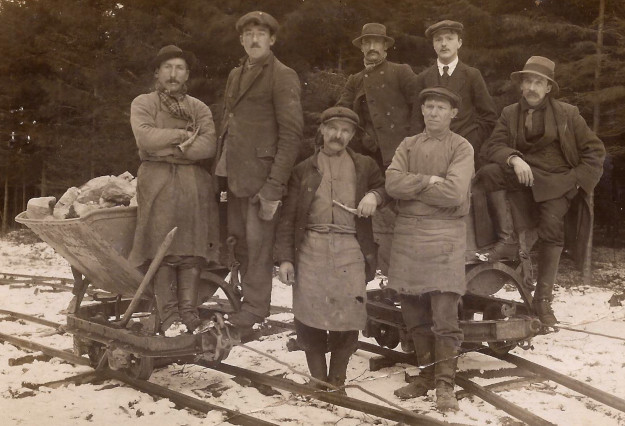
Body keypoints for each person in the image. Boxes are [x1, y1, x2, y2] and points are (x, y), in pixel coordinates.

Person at [478, 56, 605, 326]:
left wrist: (576, 182)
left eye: (539, 82)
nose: (532, 87)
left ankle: (543, 300)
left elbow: (594, 152)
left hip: (558, 182)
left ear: (549, 88)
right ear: (521, 85)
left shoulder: (568, 114)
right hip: (522, 177)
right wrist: (514, 158)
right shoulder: (509, 113)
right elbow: (492, 146)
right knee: (489, 172)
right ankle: (507, 239)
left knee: (551, 228)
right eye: (528, 81)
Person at [275, 106, 388, 390]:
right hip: (311, 246)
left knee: (348, 315)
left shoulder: (364, 165)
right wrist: (286, 259)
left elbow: (386, 187)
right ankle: (318, 380)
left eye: (346, 130)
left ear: (352, 135)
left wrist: (375, 195)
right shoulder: (303, 169)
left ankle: (337, 381)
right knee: (309, 314)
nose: (339, 135)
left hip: (351, 246)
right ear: (322, 130)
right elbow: (287, 216)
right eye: (333, 128)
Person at [386, 87, 474, 411]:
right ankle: (424, 376)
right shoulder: (407, 145)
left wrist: (413, 188)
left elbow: (453, 193)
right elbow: (392, 184)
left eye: (441, 107)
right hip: (408, 235)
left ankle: (445, 385)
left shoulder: (461, 147)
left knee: (444, 315)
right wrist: (428, 181)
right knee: (413, 312)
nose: (434, 112)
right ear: (422, 110)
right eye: (429, 107)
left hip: (445, 235)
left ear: (453, 113)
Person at [214, 11, 304, 329]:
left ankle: (255, 309)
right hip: (236, 174)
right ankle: (246, 302)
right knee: (239, 243)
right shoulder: (236, 74)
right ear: (241, 40)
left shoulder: (283, 75)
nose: (254, 39)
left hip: (263, 179)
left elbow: (292, 134)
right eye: (249, 34)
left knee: (260, 245)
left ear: (272, 39)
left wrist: (273, 186)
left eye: (261, 34)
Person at [129, 45, 219, 336]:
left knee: (191, 249)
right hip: (157, 181)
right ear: (157, 72)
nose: (173, 74)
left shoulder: (198, 108)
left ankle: (189, 314)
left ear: (187, 74)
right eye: (167, 67)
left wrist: (167, 148)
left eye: (179, 68)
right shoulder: (143, 103)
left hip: (193, 184)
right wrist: (183, 137)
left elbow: (207, 146)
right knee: (162, 248)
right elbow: (145, 138)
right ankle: (168, 317)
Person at [337, 22, 420, 274]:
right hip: (368, 162)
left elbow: (419, 108)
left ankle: (409, 275)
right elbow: (342, 113)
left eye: (377, 42)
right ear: (362, 47)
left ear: (385, 47)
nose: (372, 47)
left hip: (401, 159)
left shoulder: (401, 72)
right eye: (367, 42)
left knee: (405, 219)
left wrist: (412, 147)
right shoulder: (355, 80)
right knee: (369, 219)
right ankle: (374, 272)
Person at [414, 20, 497, 166]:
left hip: (463, 151)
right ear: (433, 45)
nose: (444, 44)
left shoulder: (472, 75)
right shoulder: (423, 78)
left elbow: (489, 117)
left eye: (449, 39)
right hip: (430, 154)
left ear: (459, 43)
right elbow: (416, 120)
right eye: (438, 39)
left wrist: (470, 141)